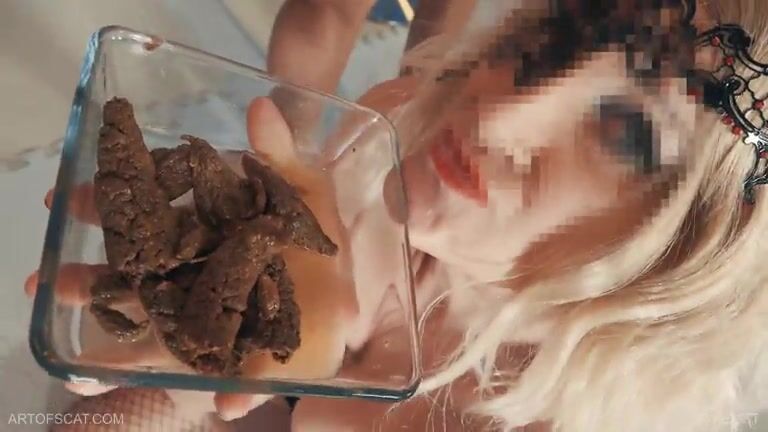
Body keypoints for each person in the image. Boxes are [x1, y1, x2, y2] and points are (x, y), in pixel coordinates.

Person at [25, 0, 768, 430]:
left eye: (628, 135)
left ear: (697, 248)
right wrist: (207, 318)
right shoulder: (397, 135)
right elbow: (153, 398)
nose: (501, 110)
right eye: (565, 33)